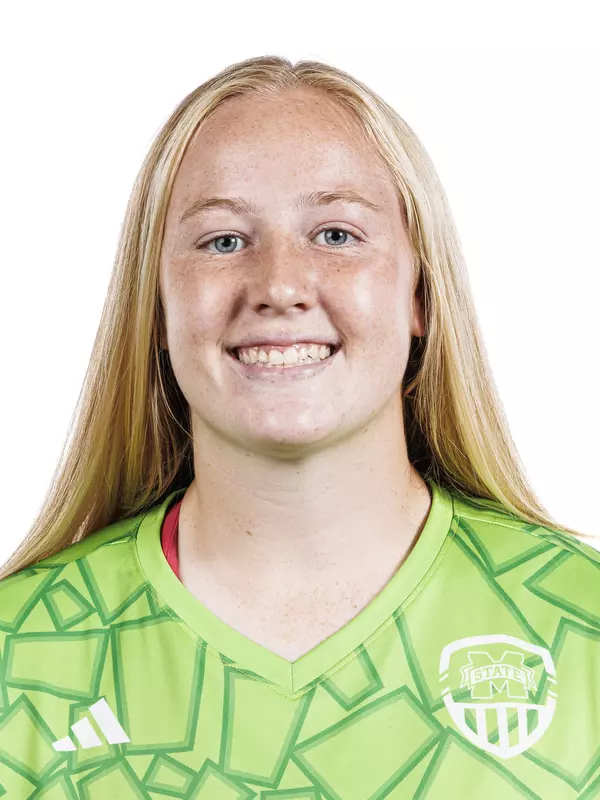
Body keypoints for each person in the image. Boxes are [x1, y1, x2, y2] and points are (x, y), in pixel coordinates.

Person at [0, 55, 598, 799]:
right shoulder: (20, 655)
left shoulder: (585, 626)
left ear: (421, 293)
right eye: (222, 240)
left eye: (337, 234)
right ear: (155, 307)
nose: (279, 285)